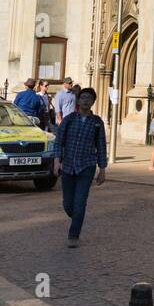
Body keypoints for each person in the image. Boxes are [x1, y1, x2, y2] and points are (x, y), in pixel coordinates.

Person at [52, 87, 108, 248]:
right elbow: (59, 142)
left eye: (88, 98)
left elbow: (101, 146)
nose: (85, 100)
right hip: (68, 166)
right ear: (78, 100)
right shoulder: (69, 119)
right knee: (68, 204)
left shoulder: (97, 122)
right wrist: (57, 161)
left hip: (87, 166)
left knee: (80, 202)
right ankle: (77, 217)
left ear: (93, 102)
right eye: (82, 97)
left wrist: (102, 170)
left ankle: (73, 235)